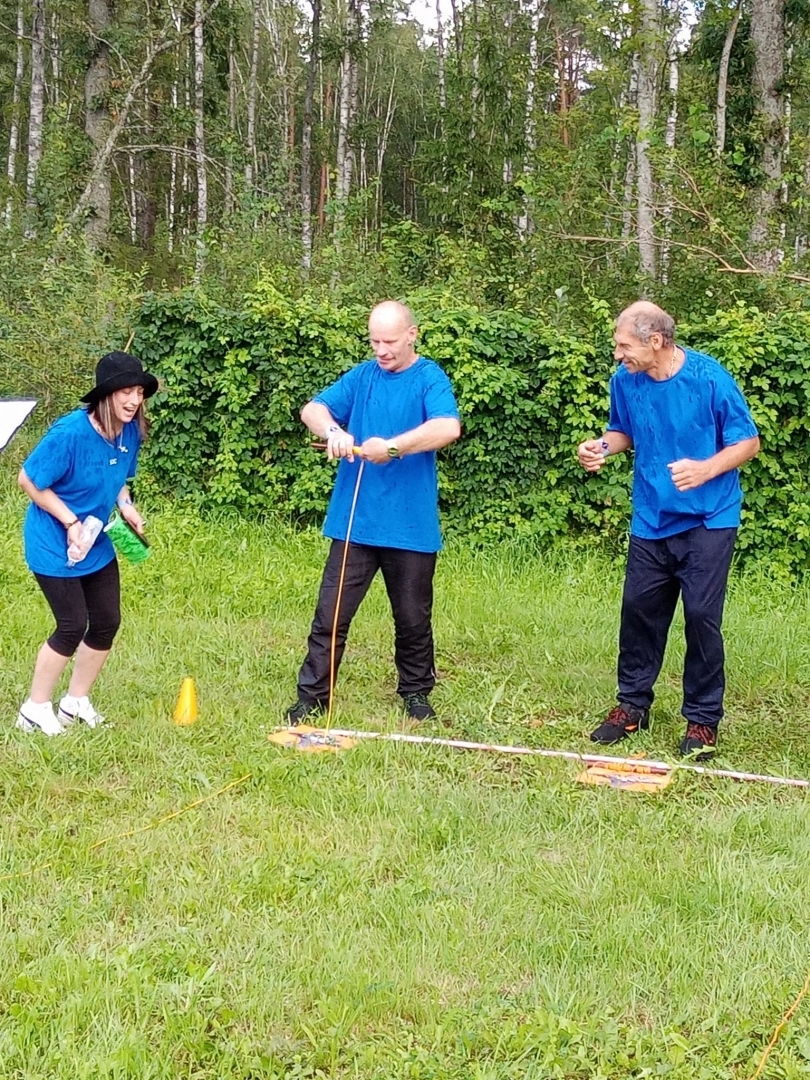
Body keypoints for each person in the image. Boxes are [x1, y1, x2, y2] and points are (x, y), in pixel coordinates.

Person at [577, 301, 760, 759]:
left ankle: (701, 721)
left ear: (655, 341)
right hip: (651, 516)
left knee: (701, 616)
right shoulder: (626, 380)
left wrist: (704, 470)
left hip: (709, 518)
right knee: (638, 609)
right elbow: (622, 431)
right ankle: (632, 706)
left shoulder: (709, 378)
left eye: (624, 345)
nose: (618, 355)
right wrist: (601, 447)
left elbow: (748, 442)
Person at [286, 300, 461, 724]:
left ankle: (416, 693)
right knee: (331, 615)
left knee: (412, 618)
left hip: (410, 526)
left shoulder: (429, 378)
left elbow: (447, 427)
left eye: (389, 341)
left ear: (412, 335)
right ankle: (312, 697)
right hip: (355, 523)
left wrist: (395, 447)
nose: (381, 350)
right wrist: (333, 431)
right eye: (374, 341)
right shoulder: (362, 376)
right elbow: (313, 409)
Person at [16, 352, 157, 735]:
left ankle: (75, 702)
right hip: (54, 543)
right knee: (71, 624)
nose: (134, 400)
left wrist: (126, 506)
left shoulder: (129, 431)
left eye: (139, 391)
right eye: (126, 391)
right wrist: (71, 521)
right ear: (106, 395)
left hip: (95, 541)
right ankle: (34, 708)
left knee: (107, 621)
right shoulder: (69, 434)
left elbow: (121, 481)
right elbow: (28, 481)